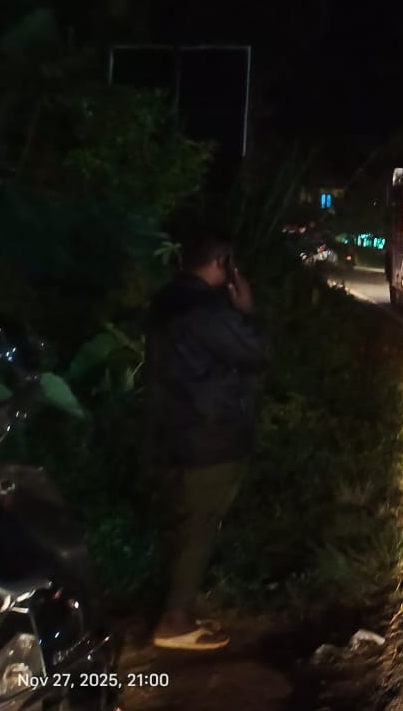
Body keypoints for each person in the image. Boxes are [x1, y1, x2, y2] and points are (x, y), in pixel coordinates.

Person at [145, 236, 264, 651]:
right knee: (198, 526)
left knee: (183, 523)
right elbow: (254, 351)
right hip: (207, 436)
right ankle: (175, 621)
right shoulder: (207, 309)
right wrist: (245, 310)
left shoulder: (167, 299)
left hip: (171, 430)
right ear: (222, 262)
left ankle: (179, 609)